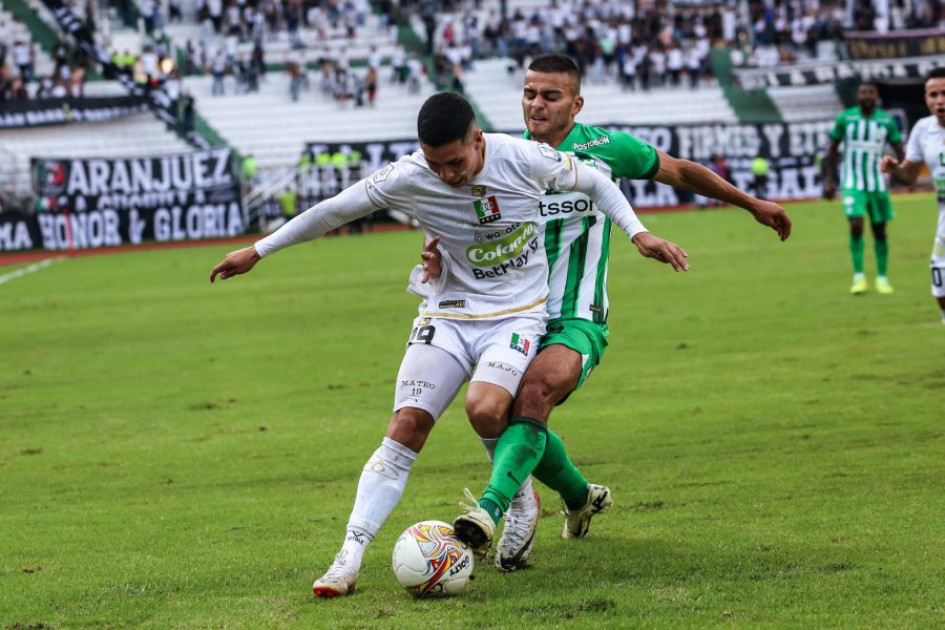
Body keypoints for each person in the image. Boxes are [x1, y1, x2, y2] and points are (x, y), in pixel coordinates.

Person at [209, 92, 689, 598]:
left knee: (485, 410)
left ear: (476, 140)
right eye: (436, 165)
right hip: (447, 313)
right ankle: (346, 559)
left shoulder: (522, 157)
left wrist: (638, 233)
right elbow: (333, 211)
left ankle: (520, 500)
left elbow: (594, 180)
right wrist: (259, 250)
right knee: (405, 426)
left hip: (517, 316)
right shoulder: (410, 174)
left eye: (456, 162)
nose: (448, 176)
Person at [419, 54, 790, 569]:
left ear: (576, 102)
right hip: (506, 315)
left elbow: (679, 169)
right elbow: (457, 227)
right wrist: (436, 257)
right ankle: (579, 497)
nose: (537, 104)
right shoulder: (497, 155)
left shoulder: (603, 149)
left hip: (578, 313)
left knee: (534, 395)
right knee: (502, 414)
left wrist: (751, 203)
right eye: (529, 93)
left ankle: (493, 511)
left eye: (550, 95)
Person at [824, 82, 904, 295]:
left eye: (870, 92)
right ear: (858, 96)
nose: (866, 95)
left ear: (876, 96)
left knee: (879, 231)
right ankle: (859, 277)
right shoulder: (846, 118)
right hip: (852, 182)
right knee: (856, 225)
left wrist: (901, 172)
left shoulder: (885, 121)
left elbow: (899, 148)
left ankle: (882, 277)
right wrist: (830, 179)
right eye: (862, 92)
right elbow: (832, 148)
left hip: (877, 183)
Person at [879, 67, 945, 325]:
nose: (940, 100)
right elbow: (910, 177)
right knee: (939, 282)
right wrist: (897, 170)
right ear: (926, 98)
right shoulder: (923, 129)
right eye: (934, 94)